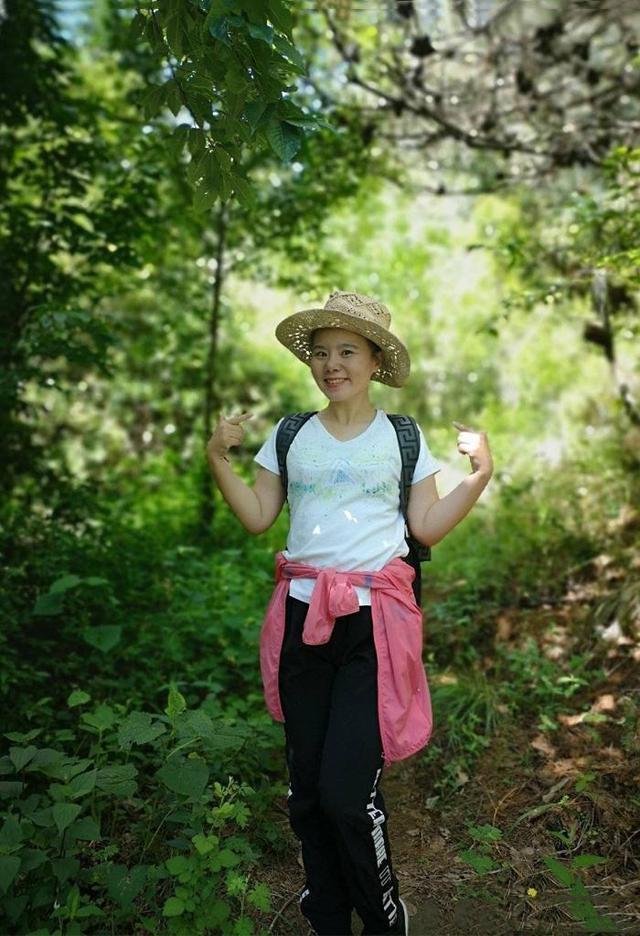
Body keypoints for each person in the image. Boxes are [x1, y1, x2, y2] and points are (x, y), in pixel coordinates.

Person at [207, 291, 494, 936]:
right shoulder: (290, 435)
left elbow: (426, 525)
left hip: (374, 628)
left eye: (347, 352)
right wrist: (217, 458)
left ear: (373, 362)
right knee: (308, 792)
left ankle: (385, 919)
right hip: (303, 620)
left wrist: (478, 476)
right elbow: (258, 517)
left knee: (346, 794)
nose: (332, 364)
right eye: (321, 352)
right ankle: (328, 917)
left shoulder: (402, 436)